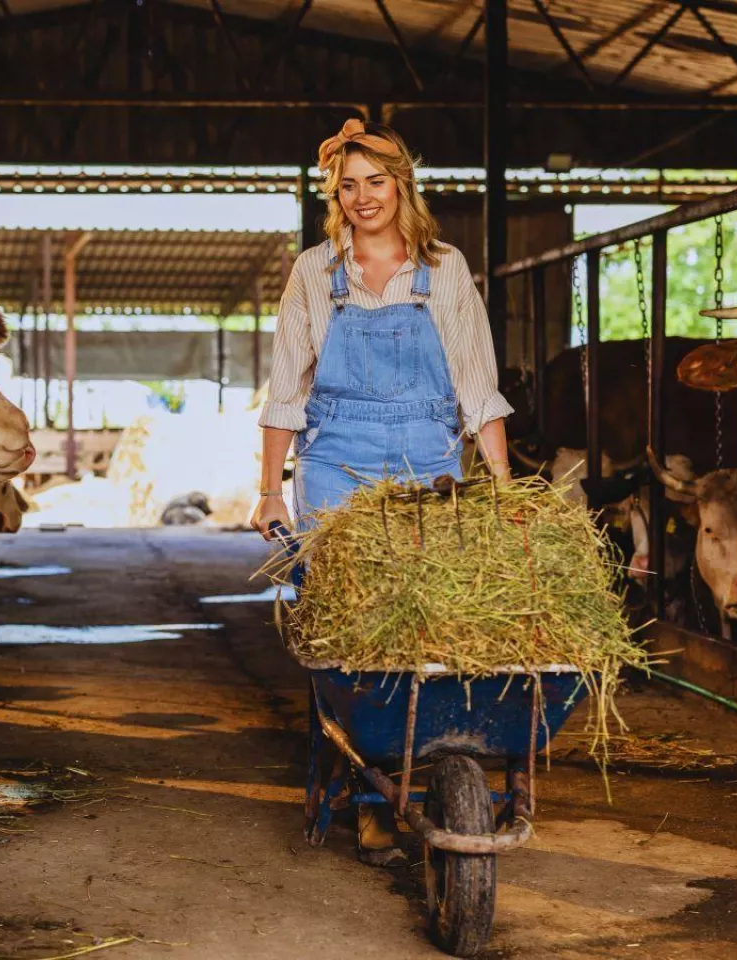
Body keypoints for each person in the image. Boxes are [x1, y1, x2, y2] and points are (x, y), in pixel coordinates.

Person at [249, 119, 513, 866]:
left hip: (428, 463)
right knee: (352, 624)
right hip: (335, 463)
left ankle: (412, 772)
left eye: (376, 182)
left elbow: (477, 388)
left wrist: (501, 487)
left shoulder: (445, 268)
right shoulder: (315, 271)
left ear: (402, 185)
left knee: (428, 624)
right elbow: (286, 391)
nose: (363, 198)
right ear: (334, 194)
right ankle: (369, 783)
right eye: (348, 185)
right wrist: (271, 490)